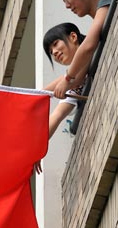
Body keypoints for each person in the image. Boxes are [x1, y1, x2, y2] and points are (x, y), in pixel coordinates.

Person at [53, 0, 113, 99]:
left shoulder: (107, 0)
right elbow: (79, 77)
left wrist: (67, 79)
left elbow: (87, 46)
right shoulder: (98, 28)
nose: (67, 6)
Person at [35, 23, 85, 174]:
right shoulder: (72, 84)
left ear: (73, 37)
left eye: (56, 44)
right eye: (51, 51)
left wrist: (37, 95)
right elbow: (56, 116)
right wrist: (36, 149)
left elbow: (75, 76)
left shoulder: (92, 45)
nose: (54, 52)